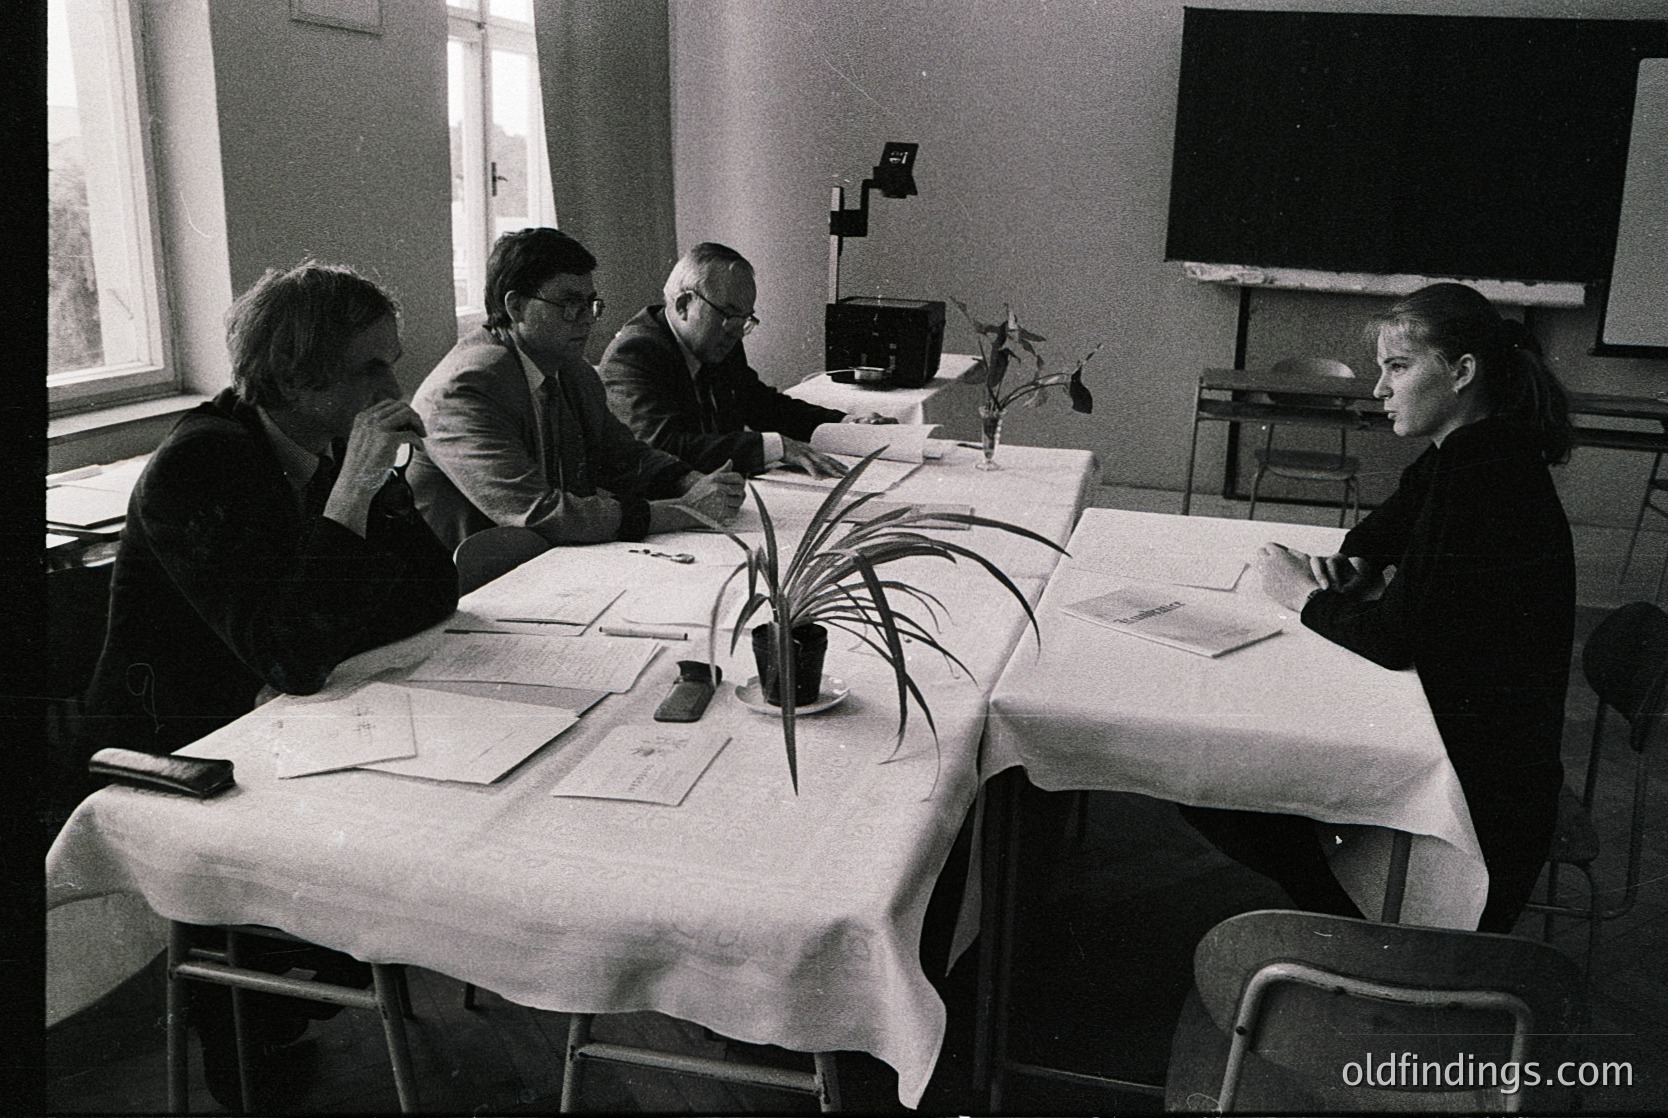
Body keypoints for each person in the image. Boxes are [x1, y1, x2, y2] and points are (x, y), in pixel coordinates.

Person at [80, 260, 459, 1108]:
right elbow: (289, 651)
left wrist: (371, 494)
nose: (393, 384)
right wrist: (356, 490)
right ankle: (255, 1002)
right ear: (296, 375)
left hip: (282, 715)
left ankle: (308, 962)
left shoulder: (320, 445)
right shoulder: (203, 464)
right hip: (177, 743)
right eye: (371, 366)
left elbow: (434, 589)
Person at [1182, 282, 1575, 934]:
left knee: (1214, 783)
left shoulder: (1484, 473)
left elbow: (1396, 640)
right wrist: (1359, 558)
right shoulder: (1474, 447)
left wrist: (1301, 595)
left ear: (1462, 372)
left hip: (1477, 807)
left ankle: (1369, 930)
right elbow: (1393, 521)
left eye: (1397, 368)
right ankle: (1351, 911)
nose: (1378, 389)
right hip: (1488, 760)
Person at [408, 229, 745, 550]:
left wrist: (692, 482)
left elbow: (625, 457)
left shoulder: (569, 367)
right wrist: (686, 510)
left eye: (591, 304)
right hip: (475, 585)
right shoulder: (465, 387)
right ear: (515, 306)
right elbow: (539, 513)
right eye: (570, 304)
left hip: (548, 562)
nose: (587, 319)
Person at [598, 241, 895, 479]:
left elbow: (761, 405)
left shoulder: (719, 337)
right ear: (683, 303)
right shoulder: (635, 353)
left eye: (745, 317)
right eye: (728, 314)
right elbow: (665, 445)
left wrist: (846, 423)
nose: (738, 330)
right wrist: (777, 446)